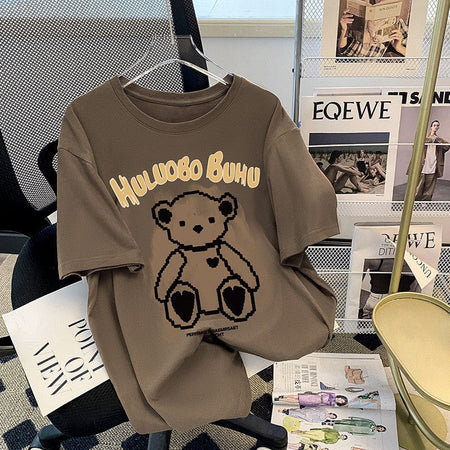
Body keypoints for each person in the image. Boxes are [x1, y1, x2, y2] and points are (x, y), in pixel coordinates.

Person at [337, 1, 408, 58]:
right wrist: (344, 30)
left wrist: (399, 47)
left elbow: (412, 54)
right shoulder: (359, 12)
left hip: (370, 65)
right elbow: (341, 50)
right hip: (348, 59)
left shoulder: (397, 22)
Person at [415, 120, 450, 201]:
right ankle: (415, 202)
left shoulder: (438, 140)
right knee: (418, 186)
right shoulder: (424, 138)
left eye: (437, 125)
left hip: (433, 166)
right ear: (431, 127)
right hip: (423, 165)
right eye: (434, 125)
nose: (436, 127)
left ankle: (425, 202)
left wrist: (438, 139)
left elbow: (447, 146)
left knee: (429, 187)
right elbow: (416, 146)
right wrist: (430, 139)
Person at [276, 392, 348, 407]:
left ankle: (280, 400)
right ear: (340, 397)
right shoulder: (333, 394)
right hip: (315, 396)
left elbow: (323, 405)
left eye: (341, 402)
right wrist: (319, 394)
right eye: (341, 399)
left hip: (315, 402)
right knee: (298, 396)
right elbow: (324, 392)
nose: (340, 400)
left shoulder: (332, 404)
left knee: (298, 401)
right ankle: (284, 396)